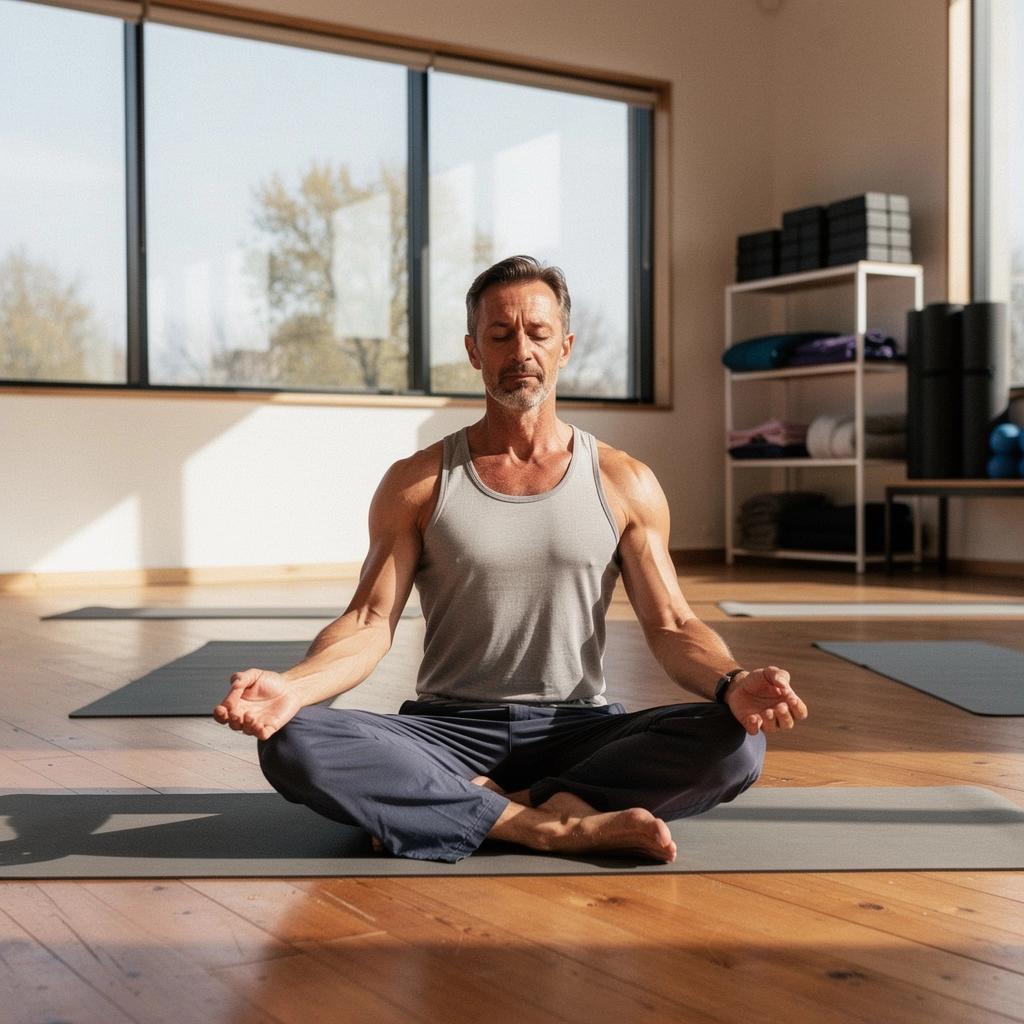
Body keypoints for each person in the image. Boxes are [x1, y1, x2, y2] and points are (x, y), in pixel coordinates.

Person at [213, 255, 808, 864]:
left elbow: (673, 626)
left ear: (565, 347)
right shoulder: (417, 482)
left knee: (737, 742)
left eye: (538, 333)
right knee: (293, 739)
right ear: (474, 351)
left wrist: (732, 682)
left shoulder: (624, 481)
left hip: (577, 729)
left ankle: (467, 810)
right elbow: (368, 624)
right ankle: (553, 824)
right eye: (500, 335)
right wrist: (292, 686)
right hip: (446, 731)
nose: (520, 349)